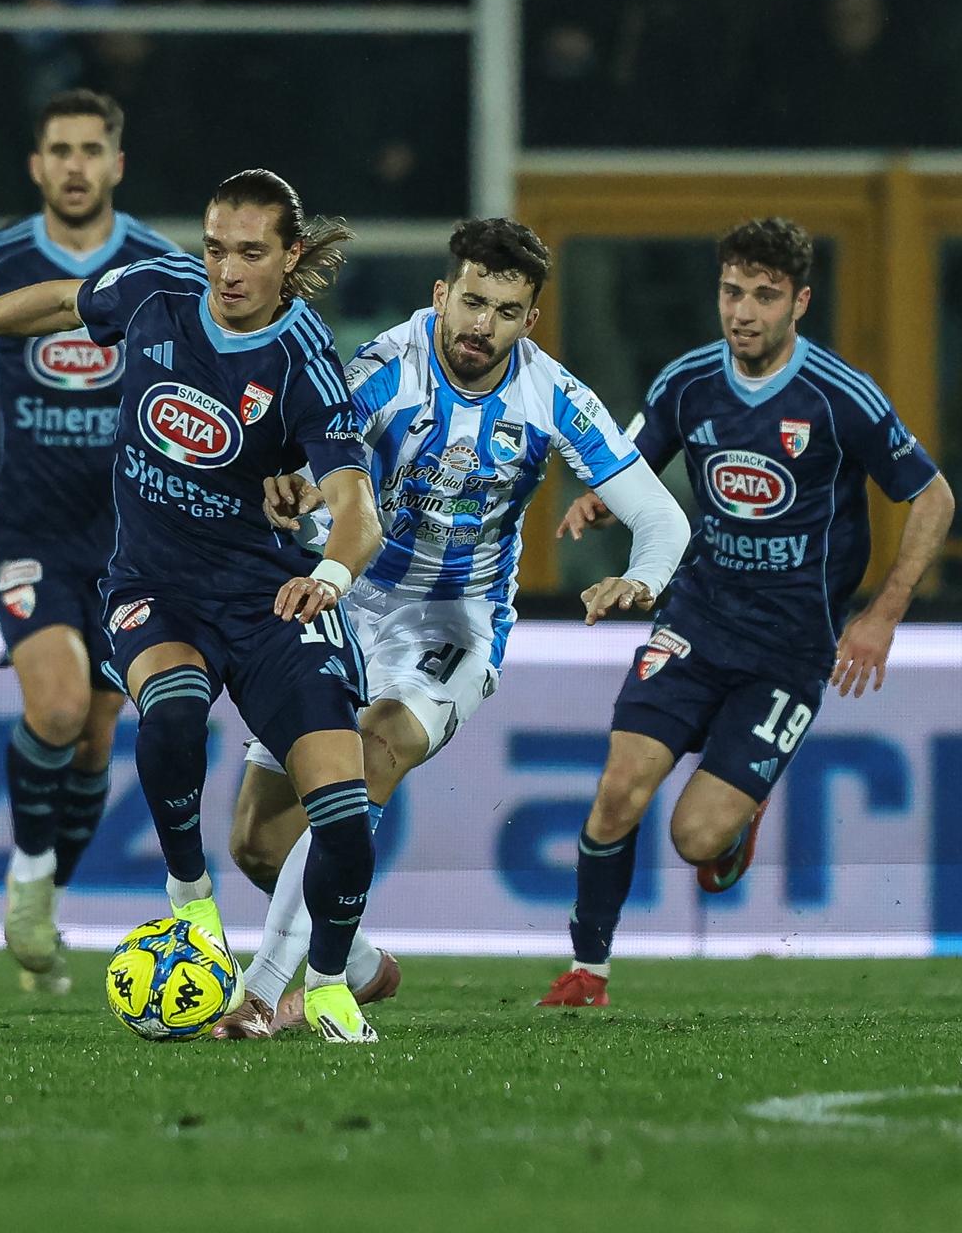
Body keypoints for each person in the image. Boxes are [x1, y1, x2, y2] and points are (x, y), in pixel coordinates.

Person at [0, 169, 388, 1043]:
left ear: (291, 257)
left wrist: (332, 578)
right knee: (174, 711)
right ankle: (191, 902)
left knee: (343, 817)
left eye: (251, 253)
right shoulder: (159, 291)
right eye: (216, 248)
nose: (227, 270)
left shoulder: (304, 360)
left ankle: (327, 986)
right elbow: (59, 302)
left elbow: (358, 508)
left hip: (272, 597)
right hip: (156, 589)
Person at [209, 218, 691, 1039]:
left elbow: (662, 518)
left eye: (505, 312)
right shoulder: (384, 369)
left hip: (454, 618)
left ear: (529, 320)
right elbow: (315, 453)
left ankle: (261, 994)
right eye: (472, 302)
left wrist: (641, 577)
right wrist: (301, 486)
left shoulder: (552, 396)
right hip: (344, 596)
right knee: (258, 841)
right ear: (441, 295)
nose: (482, 326)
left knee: (370, 755)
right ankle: (362, 967)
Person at [537, 217, 956, 1008]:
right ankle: (589, 972)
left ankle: (740, 816)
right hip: (697, 620)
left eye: (765, 296)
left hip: (791, 651)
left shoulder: (838, 396)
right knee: (620, 788)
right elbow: (631, 461)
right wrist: (603, 497)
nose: (743, 312)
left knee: (695, 837)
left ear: (800, 302)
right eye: (732, 292)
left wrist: (883, 614)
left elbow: (932, 497)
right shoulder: (688, 382)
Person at [0, 89, 176, 994]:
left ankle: (47, 898)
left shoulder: (161, 266)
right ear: (36, 165)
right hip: (23, 524)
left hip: (132, 536)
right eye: (60, 150)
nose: (75, 166)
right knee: (56, 710)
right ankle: (26, 878)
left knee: (96, 739)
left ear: (116, 165)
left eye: (91, 150)